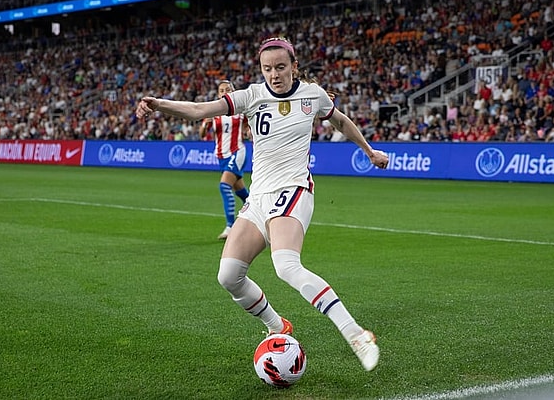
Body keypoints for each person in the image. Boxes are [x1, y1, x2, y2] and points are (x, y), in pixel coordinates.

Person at [136, 37, 389, 372]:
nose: (274, 74)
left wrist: (369, 151)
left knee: (285, 266)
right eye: (268, 69)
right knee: (228, 276)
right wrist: (158, 104)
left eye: (281, 67)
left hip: (295, 189)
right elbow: (199, 110)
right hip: (258, 198)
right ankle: (277, 326)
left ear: (294, 66)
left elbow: (340, 121)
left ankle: (356, 334)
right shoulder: (252, 96)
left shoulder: (312, 95)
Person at [198, 80, 250, 240]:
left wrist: (249, 132)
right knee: (241, 192)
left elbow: (249, 127)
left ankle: (230, 226)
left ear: (233, 91)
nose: (225, 92)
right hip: (221, 155)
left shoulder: (241, 110)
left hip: (237, 152)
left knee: (224, 186)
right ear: (218, 93)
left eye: (228, 89)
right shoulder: (213, 113)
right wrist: (205, 126)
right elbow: (201, 135)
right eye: (222, 90)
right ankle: (258, 210)